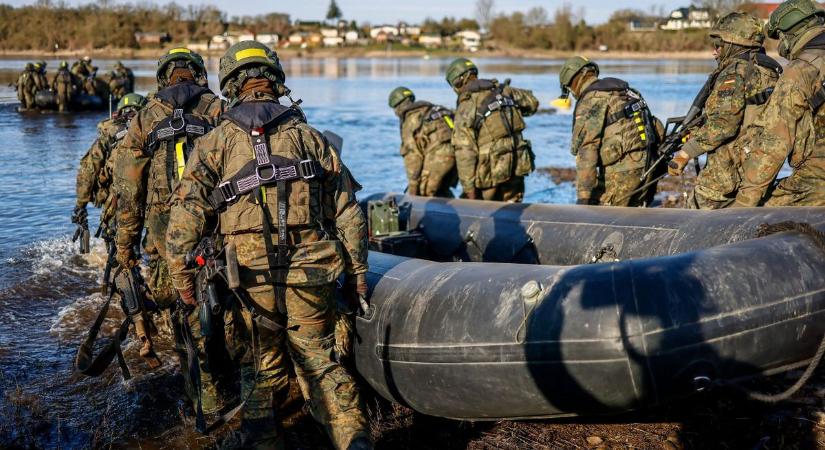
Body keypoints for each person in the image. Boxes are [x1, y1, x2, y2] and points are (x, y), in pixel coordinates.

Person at [165, 40, 372, 449]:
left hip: (247, 280)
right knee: (318, 360)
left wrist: (182, 279)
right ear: (275, 79)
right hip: (311, 270)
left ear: (229, 83)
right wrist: (358, 277)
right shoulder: (311, 138)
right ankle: (355, 439)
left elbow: (184, 219)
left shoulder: (214, 144)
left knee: (260, 371)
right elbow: (348, 213)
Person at [112, 47, 228, 419]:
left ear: (163, 77)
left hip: (166, 239)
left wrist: (124, 250)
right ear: (198, 74)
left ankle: (203, 401)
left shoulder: (145, 119)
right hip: (219, 230)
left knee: (185, 312)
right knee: (227, 310)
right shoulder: (220, 109)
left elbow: (129, 197)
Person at [667, 12, 782, 209]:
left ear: (734, 43)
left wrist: (686, 153)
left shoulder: (735, 72)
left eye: (719, 45)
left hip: (729, 169)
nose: (714, 52)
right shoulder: (768, 68)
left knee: (697, 212)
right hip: (759, 164)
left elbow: (724, 124)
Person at [734, 0, 825, 207]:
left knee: (763, 216)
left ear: (788, 35)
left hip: (817, 181)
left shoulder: (800, 72)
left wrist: (744, 204)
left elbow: (773, 143)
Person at [558, 56, 663, 206]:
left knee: (600, 217)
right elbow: (656, 126)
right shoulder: (628, 92)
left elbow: (587, 149)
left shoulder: (592, 100)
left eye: (568, 88)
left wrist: (584, 196)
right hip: (649, 168)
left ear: (574, 80)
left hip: (620, 174)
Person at [446, 58, 539, 202]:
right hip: (517, 167)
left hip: (491, 176)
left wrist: (469, 191)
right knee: (513, 210)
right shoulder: (505, 91)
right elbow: (532, 103)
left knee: (488, 217)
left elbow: (464, 152)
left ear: (458, 82)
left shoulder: (466, 105)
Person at [74, 93, 147, 241]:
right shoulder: (151, 130)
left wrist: (81, 204)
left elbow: (88, 170)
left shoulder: (109, 133)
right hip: (148, 200)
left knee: (115, 245)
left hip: (116, 200)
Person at [388, 86, 457, 197]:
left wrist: (413, 189)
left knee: (424, 192)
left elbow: (413, 157)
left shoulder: (411, 119)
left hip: (439, 157)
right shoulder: (431, 110)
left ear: (397, 107)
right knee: (441, 189)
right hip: (458, 155)